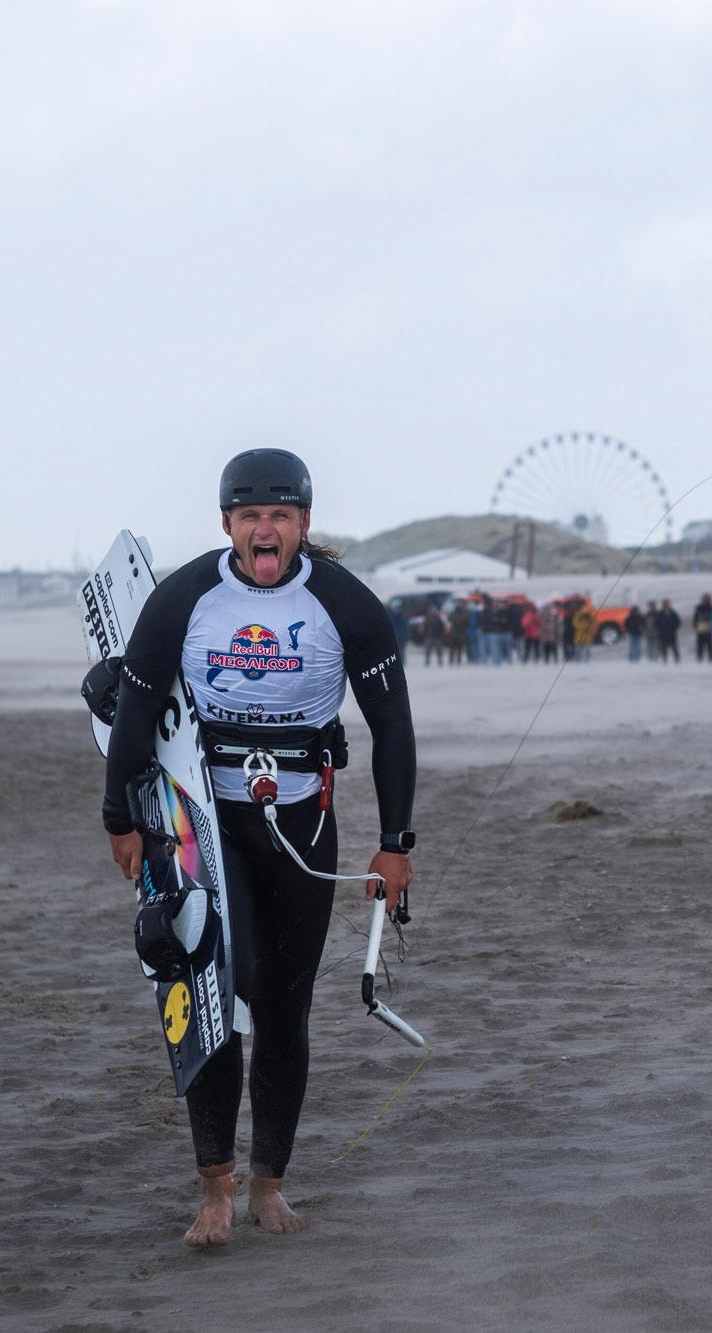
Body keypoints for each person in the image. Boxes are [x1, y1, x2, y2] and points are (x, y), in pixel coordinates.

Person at [99, 449, 417, 1248]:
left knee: (284, 1005)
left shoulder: (343, 602)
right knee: (212, 989)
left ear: (304, 523)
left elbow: (393, 727)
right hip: (206, 825)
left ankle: (270, 1183)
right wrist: (120, 818)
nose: (264, 528)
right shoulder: (185, 599)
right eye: (250, 516)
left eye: (279, 515)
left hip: (303, 822)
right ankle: (214, 1187)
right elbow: (135, 713)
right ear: (227, 524)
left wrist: (394, 844)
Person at [446, 597, 470, 665]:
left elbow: (448, 621)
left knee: (452, 649)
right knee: (459, 649)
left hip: (453, 634)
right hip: (461, 634)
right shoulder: (464, 615)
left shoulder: (452, 615)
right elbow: (467, 623)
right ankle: (458, 661)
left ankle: (451, 660)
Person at [693, 594, 712, 663]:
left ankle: (711, 660)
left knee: (710, 646)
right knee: (700, 646)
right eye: (704, 599)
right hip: (700, 629)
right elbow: (695, 618)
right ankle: (699, 660)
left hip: (709, 630)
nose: (705, 600)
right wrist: (695, 626)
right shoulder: (698, 607)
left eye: (707, 599)